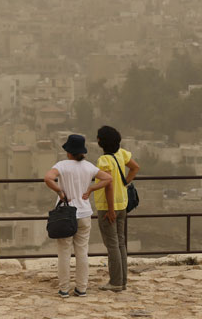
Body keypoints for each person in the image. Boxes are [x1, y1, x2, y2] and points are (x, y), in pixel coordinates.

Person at [44, 134, 112, 298]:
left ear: (68, 151)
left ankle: (64, 289)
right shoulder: (89, 167)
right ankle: (81, 288)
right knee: (82, 252)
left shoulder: (62, 165)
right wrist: (90, 189)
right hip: (84, 214)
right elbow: (108, 178)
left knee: (64, 252)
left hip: (65, 215)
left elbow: (48, 178)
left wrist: (60, 192)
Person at [84, 125, 139, 292]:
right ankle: (122, 280)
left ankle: (115, 282)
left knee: (112, 244)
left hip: (108, 206)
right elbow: (135, 167)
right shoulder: (122, 154)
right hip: (122, 203)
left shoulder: (104, 161)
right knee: (121, 243)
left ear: (101, 142)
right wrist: (124, 183)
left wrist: (109, 209)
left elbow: (107, 186)